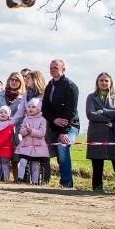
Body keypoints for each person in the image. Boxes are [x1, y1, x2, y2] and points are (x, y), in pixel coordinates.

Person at [85, 72, 115, 194]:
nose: (104, 83)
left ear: (111, 83)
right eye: (101, 80)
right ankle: (97, 190)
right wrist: (110, 117)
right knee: (97, 166)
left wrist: (103, 111)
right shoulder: (91, 97)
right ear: (97, 82)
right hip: (96, 134)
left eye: (106, 81)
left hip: (113, 134)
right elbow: (90, 115)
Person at [42, 59, 80, 188]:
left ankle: (66, 184)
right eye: (51, 68)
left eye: (56, 68)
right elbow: (44, 109)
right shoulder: (49, 86)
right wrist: (54, 120)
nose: (53, 70)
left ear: (63, 69)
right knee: (54, 153)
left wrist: (64, 131)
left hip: (70, 125)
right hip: (54, 124)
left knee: (62, 147)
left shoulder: (71, 87)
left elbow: (71, 110)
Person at [0, 71, 26, 181]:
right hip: (0, 129)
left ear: (21, 82)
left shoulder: (24, 96)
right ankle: (0, 179)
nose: (14, 82)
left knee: (16, 157)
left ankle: (17, 179)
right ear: (8, 81)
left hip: (16, 129)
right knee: (0, 157)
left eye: (17, 80)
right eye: (12, 79)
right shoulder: (0, 94)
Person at [15, 97, 49, 185]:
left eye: (33, 107)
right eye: (29, 106)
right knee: (22, 161)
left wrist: (31, 131)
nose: (30, 108)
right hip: (26, 145)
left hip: (37, 147)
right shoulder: (26, 119)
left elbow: (42, 133)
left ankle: (34, 182)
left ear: (39, 108)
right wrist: (26, 131)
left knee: (35, 165)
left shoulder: (43, 120)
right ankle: (20, 179)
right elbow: (21, 132)